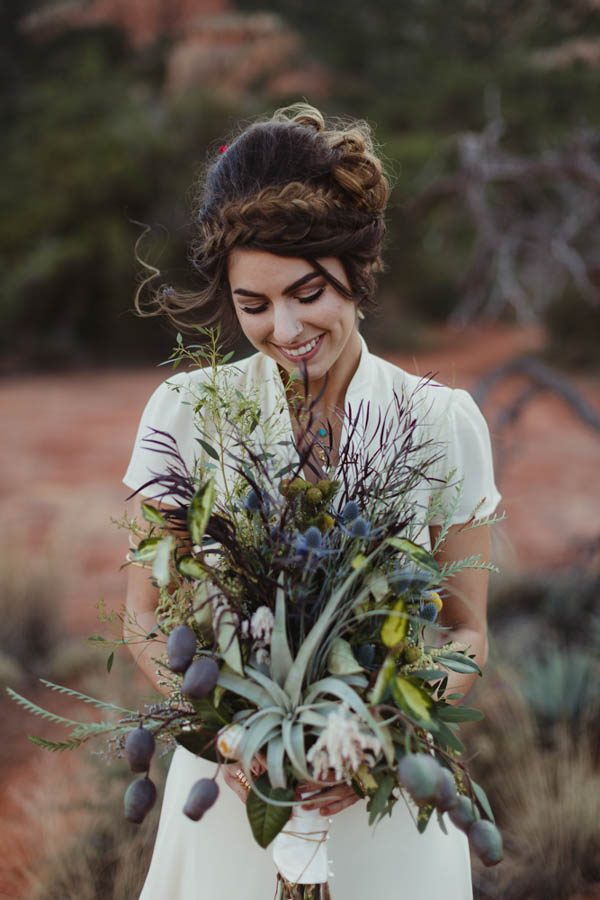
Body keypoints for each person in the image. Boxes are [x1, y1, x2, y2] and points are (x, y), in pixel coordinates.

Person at [123, 103, 501, 899]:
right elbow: (143, 618)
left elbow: (466, 631)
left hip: (383, 807)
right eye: (253, 304)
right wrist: (230, 738)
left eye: (308, 293)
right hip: (230, 804)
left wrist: (374, 737)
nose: (285, 328)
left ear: (355, 272)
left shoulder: (441, 421)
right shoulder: (185, 414)